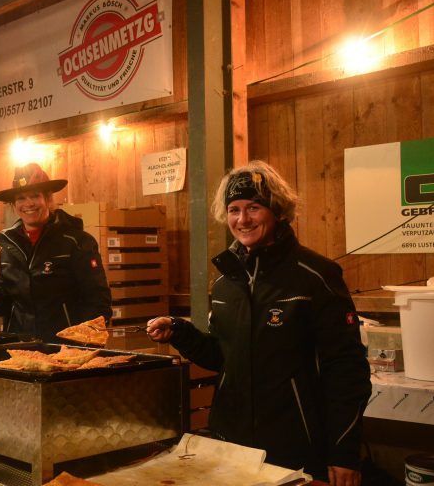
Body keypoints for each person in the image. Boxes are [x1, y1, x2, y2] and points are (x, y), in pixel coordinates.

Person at [147, 161, 371, 486]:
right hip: (231, 444)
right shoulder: (225, 283)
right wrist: (179, 332)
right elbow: (221, 357)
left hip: (296, 447)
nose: (243, 219)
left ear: (277, 211)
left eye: (254, 208)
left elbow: (347, 369)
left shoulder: (316, 276)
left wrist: (344, 452)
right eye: (234, 210)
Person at [0, 163, 112, 342]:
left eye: (35, 196)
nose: (28, 204)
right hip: (20, 345)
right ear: (14, 205)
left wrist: (85, 342)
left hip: (66, 347)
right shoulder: (9, 246)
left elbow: (98, 300)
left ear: (48, 199)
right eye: (21, 198)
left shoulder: (77, 242)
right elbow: (5, 300)